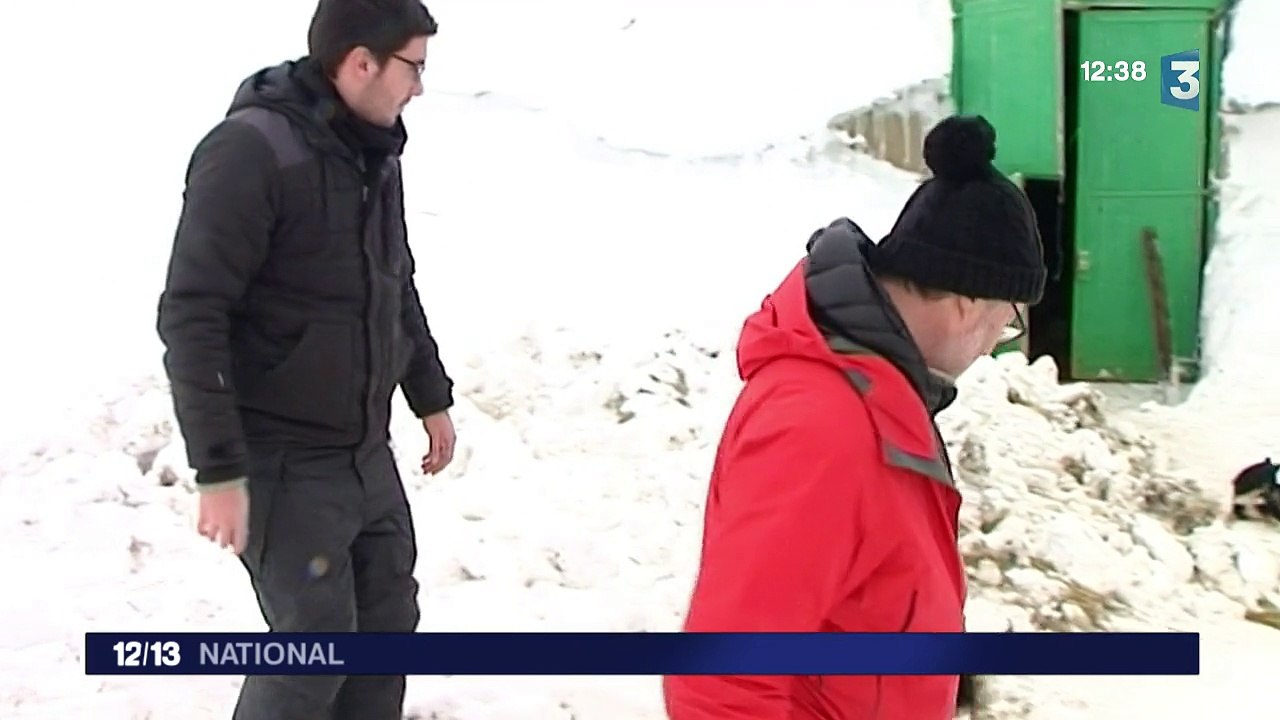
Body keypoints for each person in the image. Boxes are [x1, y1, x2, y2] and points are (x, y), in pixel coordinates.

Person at [662, 115, 1046, 720]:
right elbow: (723, 679)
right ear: (968, 302)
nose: (995, 345)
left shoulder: (877, 397)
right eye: (1007, 324)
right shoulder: (822, 421)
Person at [155, 1, 453, 718]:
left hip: (362, 450)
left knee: (386, 627)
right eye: (413, 68)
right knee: (313, 648)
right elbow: (193, 313)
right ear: (360, 63)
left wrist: (430, 394)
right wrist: (219, 469)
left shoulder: (373, 152)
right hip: (282, 458)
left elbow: (393, 280)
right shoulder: (252, 153)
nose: (419, 87)